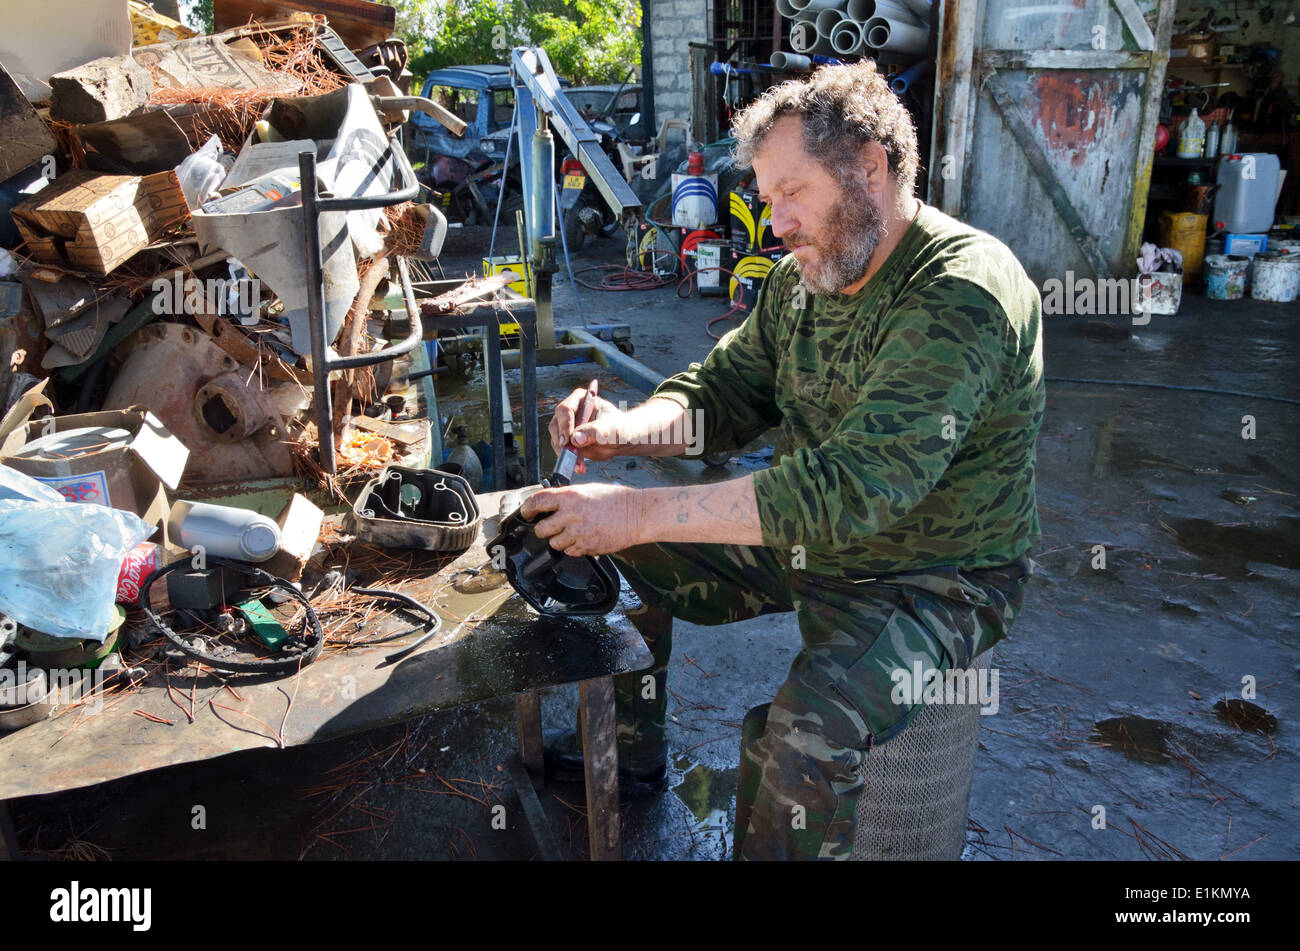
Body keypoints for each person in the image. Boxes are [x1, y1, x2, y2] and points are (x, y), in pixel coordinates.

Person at [522, 60, 1044, 860]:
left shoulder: (961, 290)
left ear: (870, 167)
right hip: (813, 538)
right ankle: (631, 752)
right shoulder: (804, 283)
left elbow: (856, 488)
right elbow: (720, 395)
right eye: (768, 200)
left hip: (937, 575)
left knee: (800, 744)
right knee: (622, 566)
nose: (777, 223)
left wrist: (633, 510)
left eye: (793, 193)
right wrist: (625, 427)